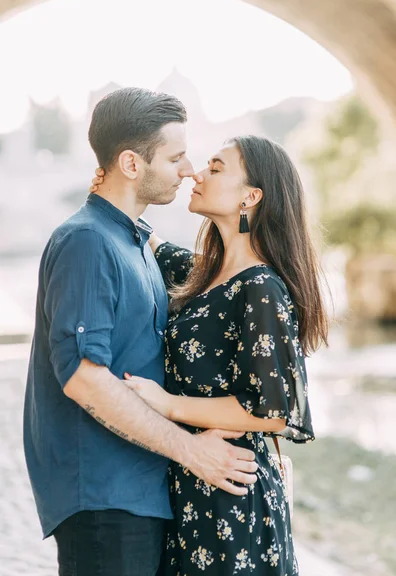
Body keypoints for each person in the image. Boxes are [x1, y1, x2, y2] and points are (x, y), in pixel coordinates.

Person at [23, 88, 258, 576]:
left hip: (138, 493)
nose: (189, 169)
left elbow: (218, 281)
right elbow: (84, 378)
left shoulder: (135, 240)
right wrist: (192, 451)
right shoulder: (88, 241)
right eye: (175, 157)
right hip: (105, 500)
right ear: (132, 163)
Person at [93, 135, 328, 574]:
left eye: (216, 168)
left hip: (233, 499)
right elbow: (150, 243)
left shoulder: (260, 287)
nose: (198, 174)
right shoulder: (204, 275)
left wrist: (166, 404)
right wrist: (112, 187)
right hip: (190, 490)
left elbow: (273, 412)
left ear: (251, 196)